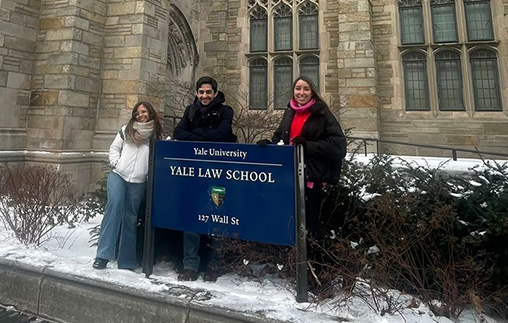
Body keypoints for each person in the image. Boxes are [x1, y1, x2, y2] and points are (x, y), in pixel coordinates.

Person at [258, 75, 346, 275]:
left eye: (306, 89)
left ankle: (314, 272)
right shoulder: (289, 112)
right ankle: (294, 268)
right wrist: (268, 145)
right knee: (291, 225)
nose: (301, 93)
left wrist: (308, 146)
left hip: (312, 180)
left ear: (312, 91)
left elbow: (339, 146)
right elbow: (281, 138)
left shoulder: (322, 113)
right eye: (298, 88)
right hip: (289, 179)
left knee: (311, 228)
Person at [173, 76, 235, 282]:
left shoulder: (226, 111)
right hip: (194, 173)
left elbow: (223, 134)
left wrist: (197, 134)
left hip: (219, 173)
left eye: (209, 92)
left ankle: (215, 264)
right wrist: (203, 137)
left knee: (218, 216)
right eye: (201, 92)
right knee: (192, 216)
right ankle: (190, 264)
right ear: (197, 93)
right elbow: (178, 132)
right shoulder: (190, 111)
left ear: (215, 93)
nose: (205, 96)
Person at [93, 101, 163, 270]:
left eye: (144, 111)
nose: (141, 115)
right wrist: (116, 164)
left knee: (130, 218)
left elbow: (159, 159)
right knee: (114, 208)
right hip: (118, 176)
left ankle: (126, 262)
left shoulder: (155, 135)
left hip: (138, 181)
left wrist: (147, 174)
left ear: (150, 113)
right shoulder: (126, 130)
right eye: (137, 113)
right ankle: (103, 256)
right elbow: (114, 149)